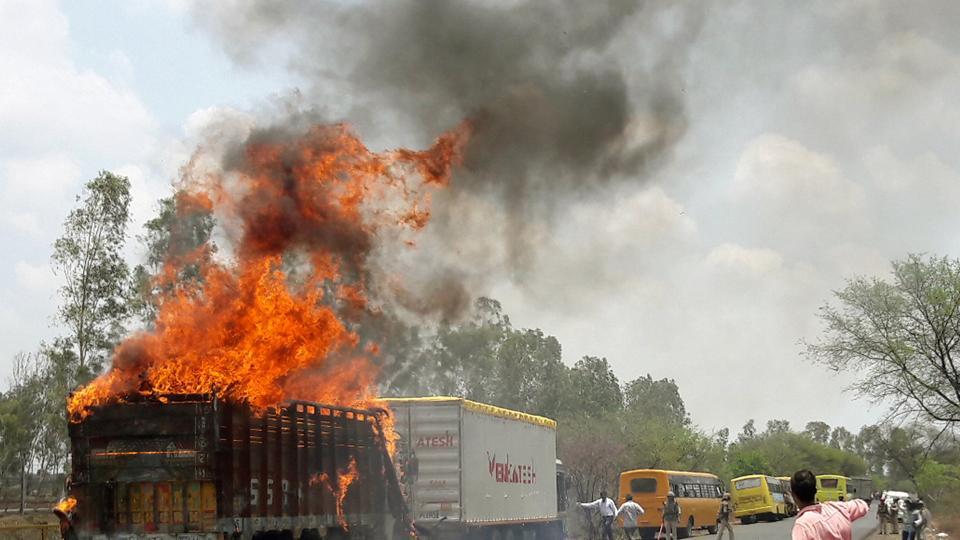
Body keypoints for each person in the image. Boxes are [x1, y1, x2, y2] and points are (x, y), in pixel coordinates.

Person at [790, 469, 869, 540]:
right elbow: (862, 505)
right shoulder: (837, 508)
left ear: (793, 495)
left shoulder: (803, 526)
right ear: (815, 491)